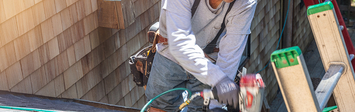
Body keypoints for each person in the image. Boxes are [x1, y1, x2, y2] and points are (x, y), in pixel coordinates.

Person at [145, 0, 257, 111]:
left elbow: (230, 55)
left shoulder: (246, 2)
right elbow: (180, 44)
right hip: (169, 53)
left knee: (203, 108)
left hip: (209, 60)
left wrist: (216, 103)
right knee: (160, 107)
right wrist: (219, 80)